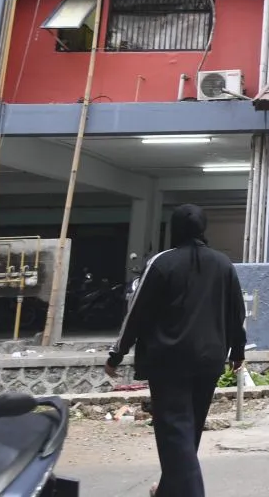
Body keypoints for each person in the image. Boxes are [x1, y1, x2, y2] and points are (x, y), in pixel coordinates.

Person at [105, 204, 247, 497]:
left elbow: (137, 312)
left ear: (175, 229)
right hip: (210, 358)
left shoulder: (162, 262)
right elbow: (237, 311)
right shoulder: (223, 264)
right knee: (188, 430)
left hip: (168, 361)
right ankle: (168, 490)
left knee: (175, 431)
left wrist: (117, 353)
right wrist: (238, 351)